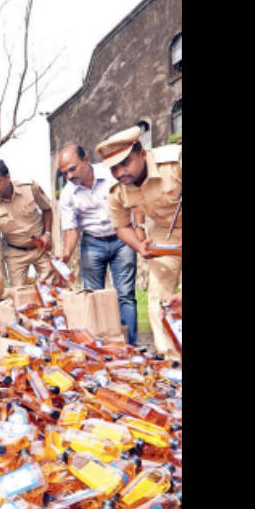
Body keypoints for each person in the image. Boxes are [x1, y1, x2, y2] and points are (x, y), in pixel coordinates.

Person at [97, 126, 183, 361]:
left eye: (125, 163)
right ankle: (172, 359)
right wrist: (139, 245)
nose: (120, 172)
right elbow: (121, 226)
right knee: (158, 294)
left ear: (142, 154)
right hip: (165, 232)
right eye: (114, 167)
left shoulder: (174, 163)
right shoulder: (118, 192)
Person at [56, 143, 137, 344]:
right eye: (64, 173)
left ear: (86, 160)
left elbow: (134, 199)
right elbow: (71, 228)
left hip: (122, 239)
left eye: (72, 169)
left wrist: (139, 229)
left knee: (125, 295)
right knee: (93, 297)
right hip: (92, 243)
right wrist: (66, 253)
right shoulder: (67, 194)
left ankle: (131, 347)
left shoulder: (111, 174)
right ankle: (101, 348)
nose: (69, 176)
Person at [0, 160, 57, 287]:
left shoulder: (29, 188)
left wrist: (47, 233)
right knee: (18, 294)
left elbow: (47, 209)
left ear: (8, 178)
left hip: (40, 248)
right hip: (15, 254)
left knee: (52, 289)